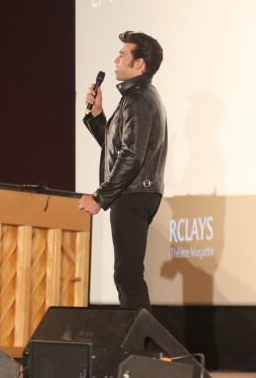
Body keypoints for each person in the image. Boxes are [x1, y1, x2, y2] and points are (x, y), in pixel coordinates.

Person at [79, 31, 167, 312]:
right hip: (135, 192)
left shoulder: (139, 99)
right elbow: (118, 146)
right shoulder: (136, 97)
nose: (116, 59)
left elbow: (130, 156)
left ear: (139, 64)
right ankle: (142, 347)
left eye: (122, 54)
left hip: (132, 194)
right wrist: (97, 115)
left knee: (128, 276)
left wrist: (99, 197)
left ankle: (142, 350)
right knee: (127, 274)